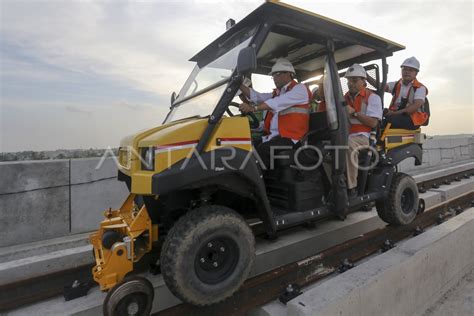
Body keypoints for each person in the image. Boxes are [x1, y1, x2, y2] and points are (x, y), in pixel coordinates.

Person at [239, 58, 312, 169]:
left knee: (263, 150)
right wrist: (238, 84)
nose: (274, 78)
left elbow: (277, 103)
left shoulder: (299, 89)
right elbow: (257, 97)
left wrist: (253, 108)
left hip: (293, 139)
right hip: (276, 137)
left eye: (276, 74)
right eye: (273, 75)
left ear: (288, 73)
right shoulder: (277, 93)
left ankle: (261, 183)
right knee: (248, 145)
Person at [344, 64, 383, 198]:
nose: (350, 84)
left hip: (365, 136)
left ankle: (352, 188)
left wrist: (354, 113)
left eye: (354, 80)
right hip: (346, 135)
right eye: (349, 80)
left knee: (348, 145)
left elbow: (373, 122)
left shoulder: (372, 98)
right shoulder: (344, 98)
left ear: (363, 81)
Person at [384, 57, 429, 129]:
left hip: (413, 119)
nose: (407, 72)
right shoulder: (396, 84)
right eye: (404, 69)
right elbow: (381, 86)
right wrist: (366, 76)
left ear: (416, 73)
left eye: (410, 70)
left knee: (389, 120)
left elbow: (413, 108)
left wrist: (393, 113)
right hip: (397, 115)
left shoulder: (420, 88)